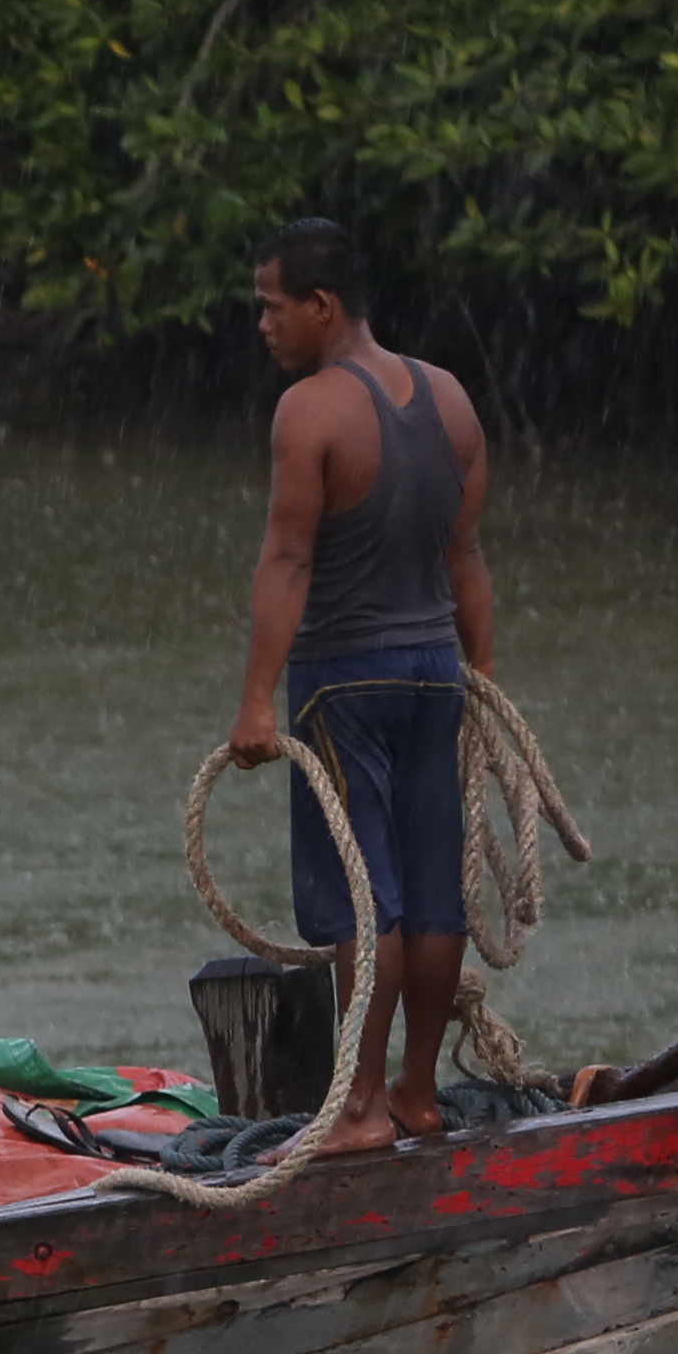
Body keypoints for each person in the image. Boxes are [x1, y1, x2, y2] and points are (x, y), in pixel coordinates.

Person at [226, 213, 501, 1152]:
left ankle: (360, 1109)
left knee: (364, 898)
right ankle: (417, 1091)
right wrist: (481, 678)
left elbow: (288, 561)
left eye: (272, 307)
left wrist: (256, 702)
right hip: (435, 678)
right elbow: (467, 558)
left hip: (342, 684)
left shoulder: (308, 411)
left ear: (321, 305)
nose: (263, 325)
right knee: (433, 895)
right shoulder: (452, 397)